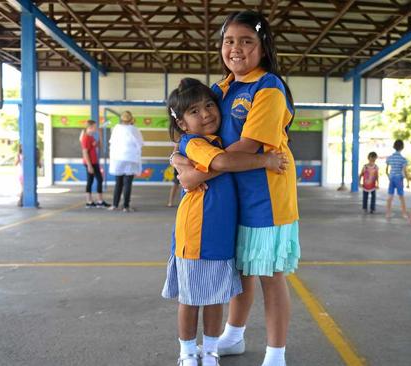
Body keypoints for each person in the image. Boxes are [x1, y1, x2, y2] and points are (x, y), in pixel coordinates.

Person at [172, 11, 300, 366]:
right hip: (232, 199)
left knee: (270, 276)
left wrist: (196, 173)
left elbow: (246, 148)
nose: (236, 49)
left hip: (266, 198)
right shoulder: (221, 88)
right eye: (229, 41)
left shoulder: (268, 87)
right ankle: (233, 335)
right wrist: (179, 160)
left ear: (262, 47)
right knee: (239, 271)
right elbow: (191, 137)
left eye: (247, 41)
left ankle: (276, 354)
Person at [161, 78, 288, 366]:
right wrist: (264, 161)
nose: (206, 114)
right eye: (194, 111)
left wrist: (186, 167)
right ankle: (187, 353)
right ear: (182, 123)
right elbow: (221, 162)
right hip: (196, 232)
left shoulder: (213, 141)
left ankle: (210, 351)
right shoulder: (193, 142)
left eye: (209, 105)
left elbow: (217, 159)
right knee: (191, 299)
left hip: (219, 234)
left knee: (215, 297)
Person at [108, 111, 144, 212]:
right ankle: (126, 206)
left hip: (117, 158)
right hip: (130, 158)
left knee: (118, 182)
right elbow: (140, 143)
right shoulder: (134, 129)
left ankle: (115, 205)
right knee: (127, 183)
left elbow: (112, 142)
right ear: (131, 119)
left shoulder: (116, 128)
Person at [81, 120, 109, 208]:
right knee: (93, 180)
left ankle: (96, 201)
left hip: (94, 162)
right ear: (90, 127)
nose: (96, 128)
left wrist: (100, 134)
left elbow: (99, 145)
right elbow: (85, 152)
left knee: (97, 180)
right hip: (90, 163)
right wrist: (89, 165)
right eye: (95, 127)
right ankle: (90, 201)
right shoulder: (85, 138)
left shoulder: (91, 137)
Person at [385, 139, 408, 219]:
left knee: (390, 196)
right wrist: (407, 181)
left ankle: (388, 213)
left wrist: (389, 175)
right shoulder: (403, 159)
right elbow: (404, 171)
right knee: (401, 196)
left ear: (394, 146)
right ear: (402, 147)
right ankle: (404, 214)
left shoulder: (390, 158)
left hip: (392, 177)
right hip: (399, 178)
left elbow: (387, 170)